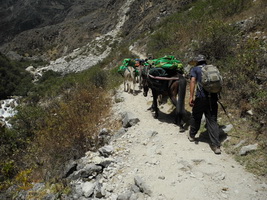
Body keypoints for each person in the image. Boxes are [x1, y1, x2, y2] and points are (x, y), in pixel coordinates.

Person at [188, 55, 221, 154]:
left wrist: (191, 96)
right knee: (212, 120)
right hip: (213, 97)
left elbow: (193, 81)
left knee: (196, 115)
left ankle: (192, 135)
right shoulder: (213, 68)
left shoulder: (195, 69)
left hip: (201, 97)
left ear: (197, 62)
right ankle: (216, 146)